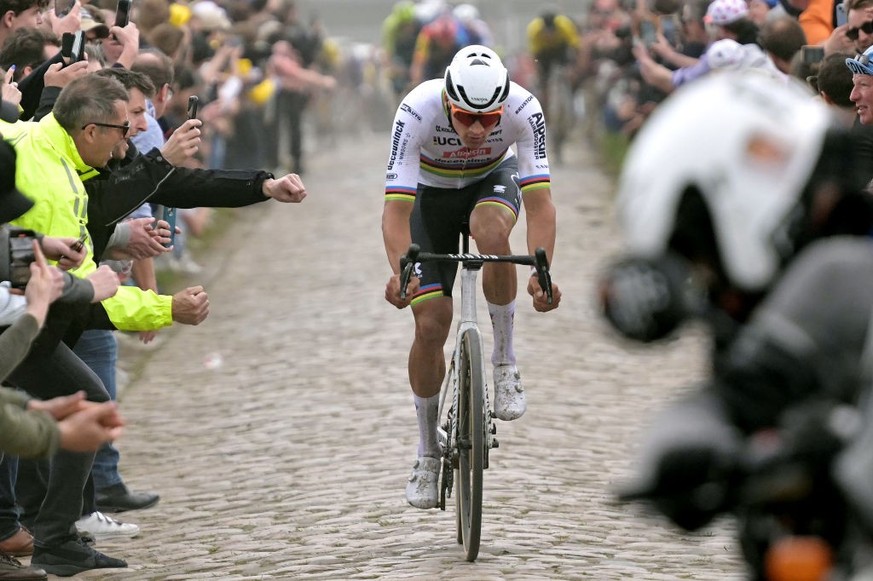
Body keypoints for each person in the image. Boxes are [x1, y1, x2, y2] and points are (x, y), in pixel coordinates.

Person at [598, 70, 873, 578]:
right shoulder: (809, 286)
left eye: (704, 261)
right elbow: (734, 395)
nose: (717, 298)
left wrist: (842, 446)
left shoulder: (839, 272)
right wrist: (683, 452)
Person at [382, 45, 562, 510]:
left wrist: (543, 270)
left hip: (490, 184)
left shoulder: (524, 108)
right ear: (446, 102)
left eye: (489, 119)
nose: (478, 130)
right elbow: (396, 213)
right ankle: (426, 451)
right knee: (429, 324)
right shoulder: (416, 110)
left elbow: (540, 204)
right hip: (430, 198)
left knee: (490, 230)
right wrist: (400, 271)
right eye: (465, 118)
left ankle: (504, 360)